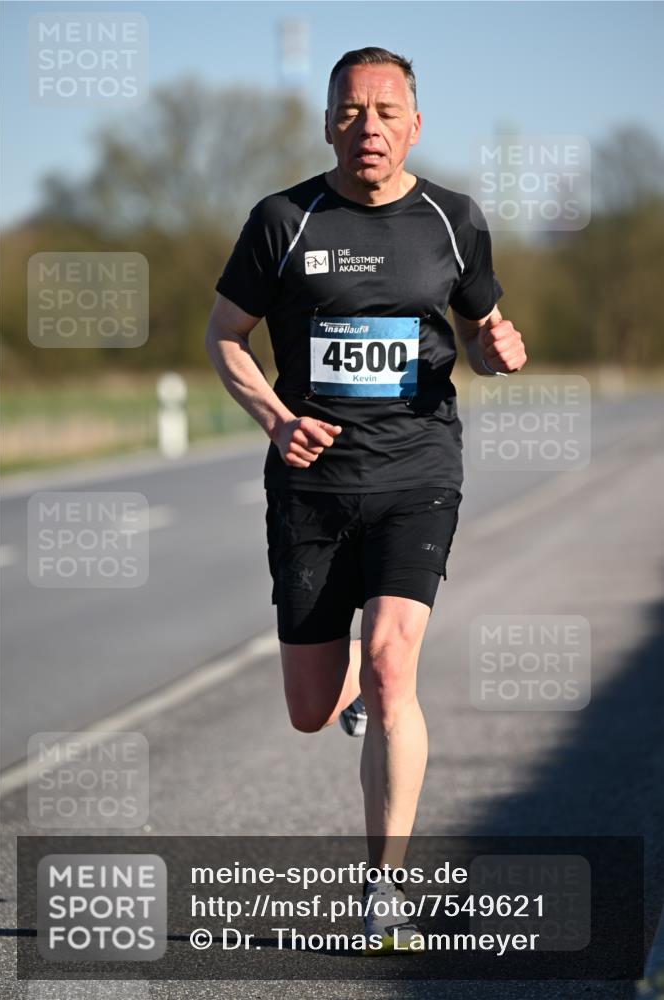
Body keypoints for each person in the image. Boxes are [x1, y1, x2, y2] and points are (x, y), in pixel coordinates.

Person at [205, 46, 526, 952]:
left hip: (418, 475)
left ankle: (383, 893)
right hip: (310, 486)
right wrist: (273, 417)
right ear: (326, 122)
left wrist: (499, 351)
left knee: (392, 664)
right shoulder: (282, 221)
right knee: (310, 708)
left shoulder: (453, 220)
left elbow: (480, 329)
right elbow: (224, 334)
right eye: (350, 111)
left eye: (386, 112)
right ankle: (342, 685)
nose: (368, 128)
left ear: (414, 125)